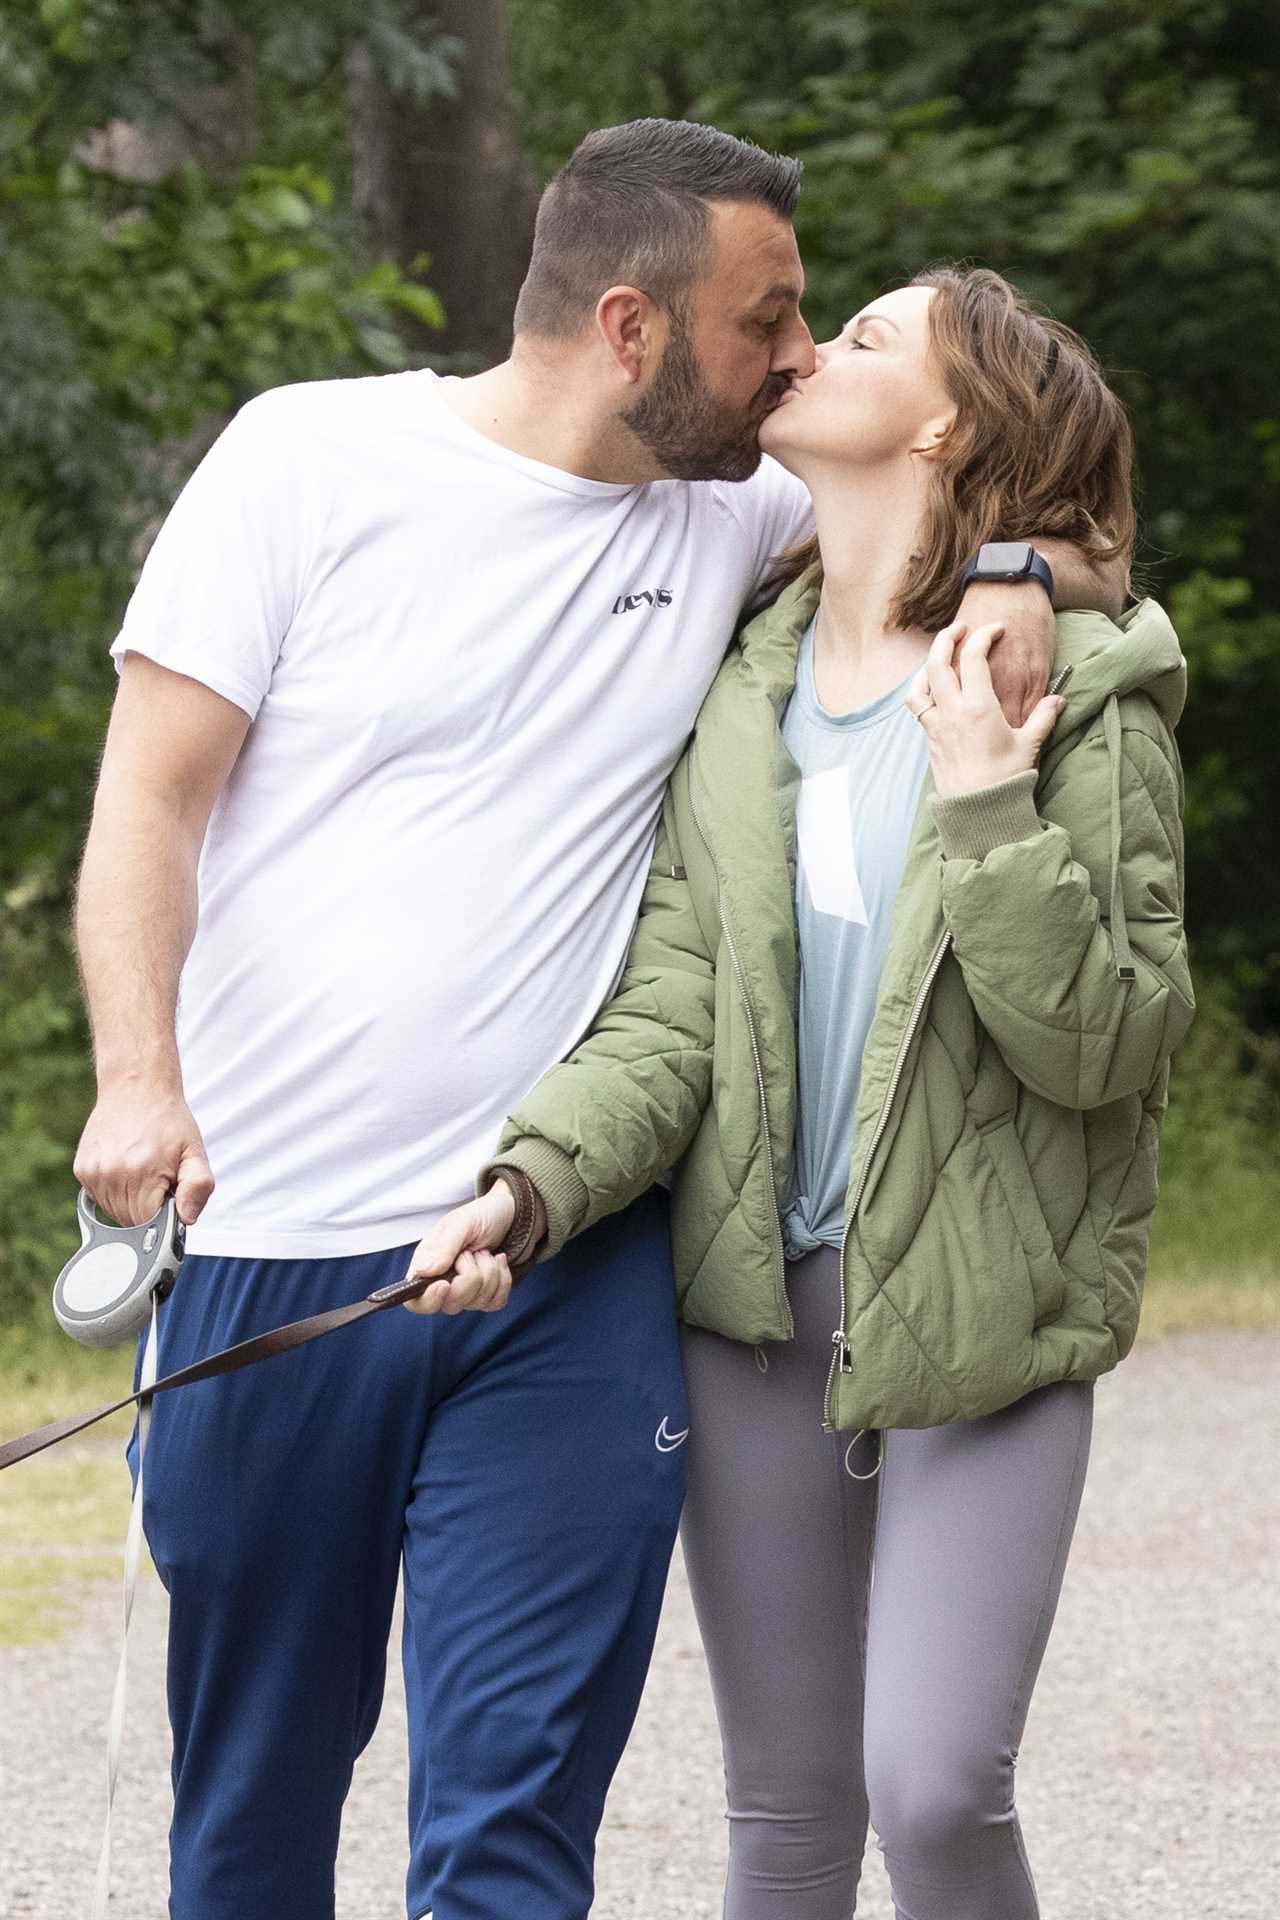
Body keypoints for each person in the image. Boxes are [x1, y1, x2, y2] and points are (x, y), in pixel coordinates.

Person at [73, 112, 1118, 1919]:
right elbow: (149, 801)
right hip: (271, 1257)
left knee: (510, 1835)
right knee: (250, 1817)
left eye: (816, 328)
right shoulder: (301, 461)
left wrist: (1025, 579)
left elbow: (1026, 500)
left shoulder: (738, 506)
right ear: (633, 329)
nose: (796, 358)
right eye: (765, 319)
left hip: (571, 1274)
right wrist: (136, 1083)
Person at [415, 266, 1194, 1919]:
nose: (813, 348)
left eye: (866, 340)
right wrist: (531, 1182)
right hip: (756, 1305)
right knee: (783, 1814)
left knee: (932, 1788)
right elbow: (678, 1007)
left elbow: (1108, 1040)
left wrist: (991, 800)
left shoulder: (1080, 688)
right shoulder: (743, 679)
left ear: (944, 422)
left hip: (985, 1298)